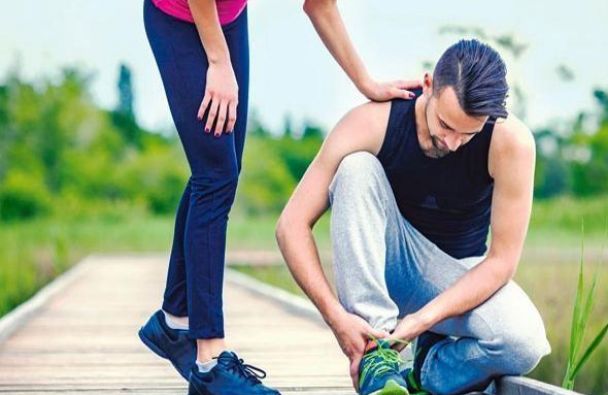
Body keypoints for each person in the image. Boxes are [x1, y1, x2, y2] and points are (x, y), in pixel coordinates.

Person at [137, 0, 420, 394]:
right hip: (179, 14)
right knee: (215, 176)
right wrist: (218, 62)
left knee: (218, 173)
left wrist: (366, 83)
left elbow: (319, 4)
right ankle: (209, 363)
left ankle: (174, 322)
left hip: (229, 16)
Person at [276, 39, 552, 395]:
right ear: (427, 86)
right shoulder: (371, 122)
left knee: (524, 342)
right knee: (355, 168)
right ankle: (378, 356)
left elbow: (501, 263)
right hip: (386, 265)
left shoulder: (511, 143)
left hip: (455, 276)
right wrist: (335, 316)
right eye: (445, 125)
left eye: (469, 133)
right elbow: (290, 226)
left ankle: (426, 374)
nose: (453, 142)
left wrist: (422, 322)